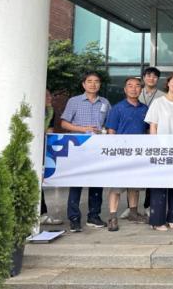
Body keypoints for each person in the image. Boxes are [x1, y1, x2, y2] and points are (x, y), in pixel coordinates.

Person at [60, 72, 111, 232]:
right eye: (89, 81)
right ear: (83, 84)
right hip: (79, 147)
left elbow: (109, 124)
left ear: (100, 84)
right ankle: (74, 218)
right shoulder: (74, 101)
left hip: (98, 147)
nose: (93, 84)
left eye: (96, 81)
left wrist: (104, 131)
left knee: (97, 182)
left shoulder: (105, 102)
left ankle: (93, 216)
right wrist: (83, 129)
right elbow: (64, 123)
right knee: (76, 182)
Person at [144, 72, 173, 231]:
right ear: (168, 83)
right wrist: (155, 146)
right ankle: (157, 221)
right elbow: (153, 126)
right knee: (159, 185)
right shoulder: (158, 102)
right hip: (162, 150)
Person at [105, 77, 150, 231]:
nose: (134, 89)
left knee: (134, 185)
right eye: (130, 86)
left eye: (137, 86)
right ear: (125, 89)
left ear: (141, 90)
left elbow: (147, 130)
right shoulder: (117, 108)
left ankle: (133, 212)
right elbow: (111, 131)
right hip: (120, 154)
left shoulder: (145, 109)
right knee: (116, 187)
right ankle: (112, 217)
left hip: (138, 153)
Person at [40, 89, 63, 226]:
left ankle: (42, 214)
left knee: (39, 181)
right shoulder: (34, 110)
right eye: (46, 96)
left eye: (50, 95)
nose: (49, 98)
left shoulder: (50, 111)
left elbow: (49, 131)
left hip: (42, 147)